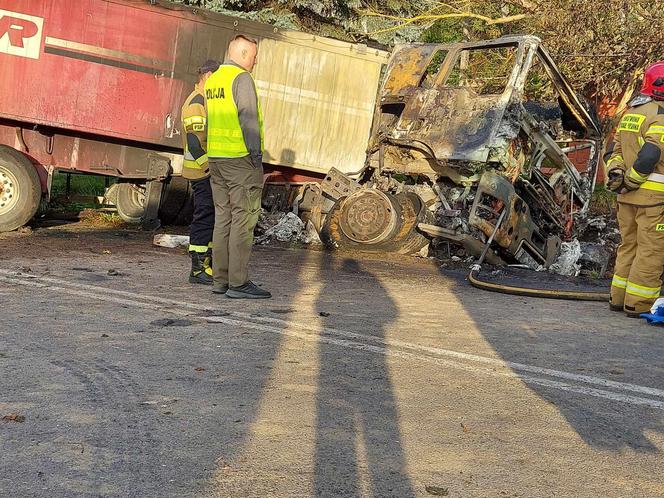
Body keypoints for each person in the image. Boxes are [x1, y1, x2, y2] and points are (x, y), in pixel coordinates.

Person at [204, 34, 271, 299]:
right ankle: (239, 283)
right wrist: (256, 158)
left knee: (223, 219)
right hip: (240, 161)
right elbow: (249, 120)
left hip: (217, 158)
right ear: (244, 54)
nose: (255, 63)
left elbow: (211, 119)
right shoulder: (241, 79)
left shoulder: (215, 79)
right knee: (243, 221)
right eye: (254, 57)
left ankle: (220, 280)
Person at [606, 60, 664, 317]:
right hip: (652, 199)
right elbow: (651, 154)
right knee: (651, 251)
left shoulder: (631, 111)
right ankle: (638, 304)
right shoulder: (660, 114)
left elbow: (614, 151)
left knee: (629, 246)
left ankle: (618, 298)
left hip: (626, 198)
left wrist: (617, 174)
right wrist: (632, 180)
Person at [180, 60, 221, 285]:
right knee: (204, 216)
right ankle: (197, 269)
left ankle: (208, 265)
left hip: (206, 172)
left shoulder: (204, 101)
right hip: (201, 172)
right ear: (207, 76)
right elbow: (195, 143)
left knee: (211, 217)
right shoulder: (196, 103)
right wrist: (209, 169)